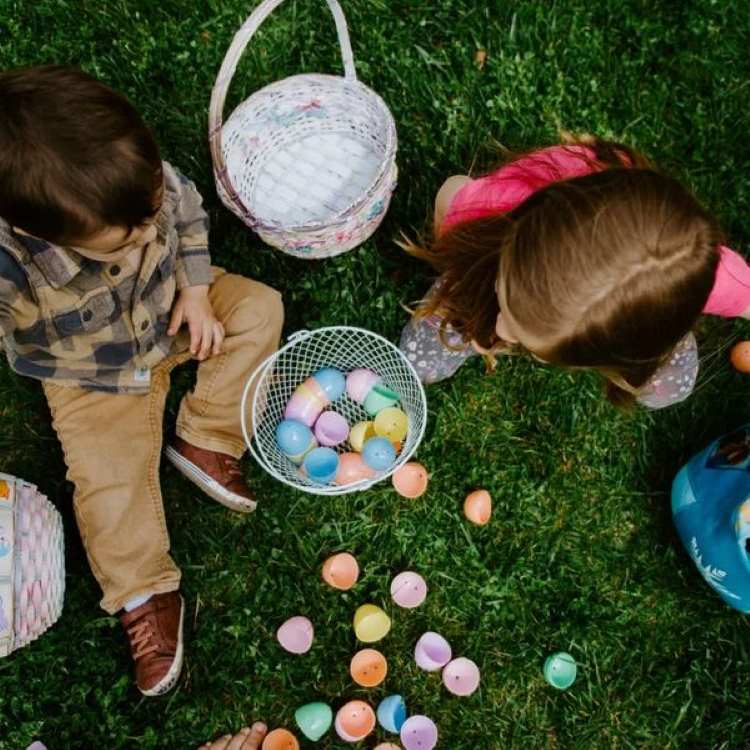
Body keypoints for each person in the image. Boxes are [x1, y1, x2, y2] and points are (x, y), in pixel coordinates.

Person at [0, 66, 284, 695]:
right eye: (124, 241)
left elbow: (184, 219)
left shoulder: (138, 182)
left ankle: (207, 435)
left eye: (149, 212)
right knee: (106, 483)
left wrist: (198, 290)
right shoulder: (12, 265)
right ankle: (143, 592)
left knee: (260, 309)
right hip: (87, 372)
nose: (145, 235)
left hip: (173, 314)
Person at [400, 136, 750, 408]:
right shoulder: (488, 209)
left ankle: (654, 334)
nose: (500, 329)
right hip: (500, 242)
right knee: (450, 320)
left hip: (648, 315)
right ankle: (478, 295)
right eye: (503, 290)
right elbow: (452, 190)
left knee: (666, 388)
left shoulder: (710, 278)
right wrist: (453, 253)